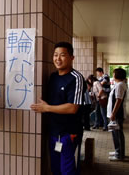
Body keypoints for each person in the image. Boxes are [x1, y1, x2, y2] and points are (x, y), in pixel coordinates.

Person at [30, 42, 86, 175]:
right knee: (56, 170)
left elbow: (73, 108)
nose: (58, 59)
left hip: (69, 134)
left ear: (72, 58)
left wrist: (47, 108)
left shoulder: (76, 78)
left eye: (62, 55)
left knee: (68, 171)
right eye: (55, 55)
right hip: (54, 133)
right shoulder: (53, 77)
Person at [107, 68, 127, 161]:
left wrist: (113, 113)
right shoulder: (118, 85)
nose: (113, 75)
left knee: (118, 134)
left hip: (117, 114)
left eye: (114, 74)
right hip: (115, 114)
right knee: (115, 134)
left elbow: (118, 100)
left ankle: (120, 155)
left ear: (117, 75)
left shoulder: (120, 85)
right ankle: (117, 151)